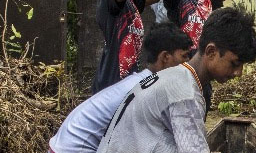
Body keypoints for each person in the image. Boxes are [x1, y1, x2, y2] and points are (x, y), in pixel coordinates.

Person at [96, 7, 256, 153]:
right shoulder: (185, 92)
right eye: (235, 63)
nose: (239, 72)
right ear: (211, 51)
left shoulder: (174, 76)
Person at [49, 23, 192, 153]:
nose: (187, 63)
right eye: (184, 56)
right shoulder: (148, 90)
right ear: (165, 57)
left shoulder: (142, 81)